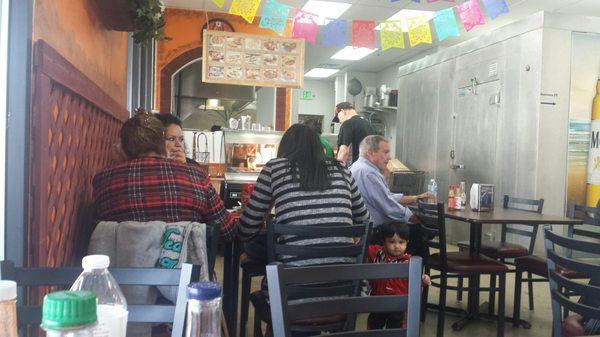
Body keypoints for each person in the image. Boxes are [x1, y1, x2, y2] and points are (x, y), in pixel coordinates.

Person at [92, 110, 238, 241]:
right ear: (161, 143)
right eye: (172, 139)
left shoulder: (103, 180)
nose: (178, 145)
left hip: (121, 269)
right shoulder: (196, 176)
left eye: (180, 139)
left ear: (122, 149)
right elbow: (227, 229)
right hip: (183, 269)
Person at [238, 123, 369, 266]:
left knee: (252, 246)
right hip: (346, 277)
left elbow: (246, 229)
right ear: (319, 146)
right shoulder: (341, 169)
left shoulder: (275, 168)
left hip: (291, 279)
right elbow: (365, 220)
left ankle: (271, 283)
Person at [350, 135, 431, 256]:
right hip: (374, 233)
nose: (390, 157)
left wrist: (415, 197)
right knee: (419, 232)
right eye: (386, 152)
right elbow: (388, 206)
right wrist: (413, 218)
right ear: (371, 153)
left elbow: (387, 196)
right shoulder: (368, 173)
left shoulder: (358, 167)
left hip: (364, 229)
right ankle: (416, 273)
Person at [367, 222, 430, 330]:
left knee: (395, 329)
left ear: (407, 243)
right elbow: (363, 247)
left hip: (399, 305)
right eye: (392, 242)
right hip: (378, 301)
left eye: (401, 242)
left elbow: (416, 281)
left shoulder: (409, 262)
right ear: (384, 242)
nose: (397, 246)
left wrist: (424, 279)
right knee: (373, 327)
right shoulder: (377, 253)